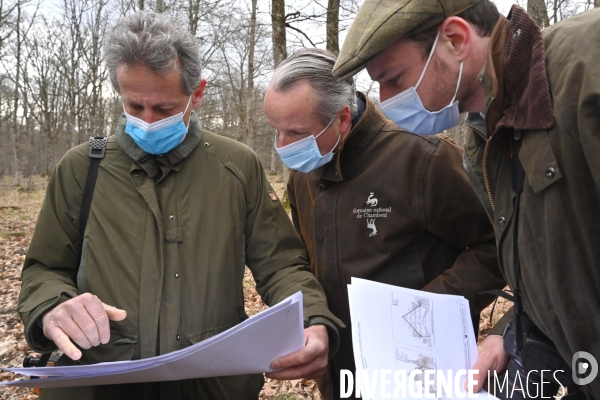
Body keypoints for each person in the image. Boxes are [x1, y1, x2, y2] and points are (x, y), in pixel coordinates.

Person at [17, 11, 344, 400]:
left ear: (198, 93)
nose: (149, 120)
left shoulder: (237, 166)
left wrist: (312, 320)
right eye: (135, 106)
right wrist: (53, 307)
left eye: (166, 108)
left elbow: (282, 265)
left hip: (211, 387)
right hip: (99, 385)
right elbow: (43, 271)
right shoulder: (81, 168)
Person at [333, 0, 600, 398]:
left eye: (393, 78)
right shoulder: (484, 140)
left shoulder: (585, 64)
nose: (385, 100)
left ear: (455, 40)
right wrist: (512, 334)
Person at [263, 48, 505, 399]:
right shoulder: (303, 174)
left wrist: (425, 310)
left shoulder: (422, 159)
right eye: (276, 130)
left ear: (342, 119)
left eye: (296, 132)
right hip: (339, 374)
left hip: (417, 371)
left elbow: (498, 244)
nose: (283, 146)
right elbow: (302, 261)